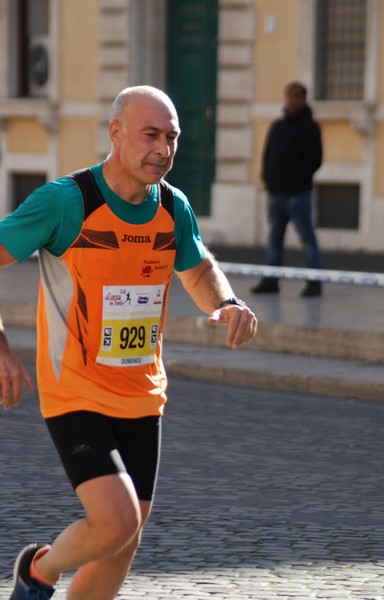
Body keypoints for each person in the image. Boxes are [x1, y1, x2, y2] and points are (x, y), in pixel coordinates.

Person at [0, 85, 258, 600]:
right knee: (114, 520)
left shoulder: (173, 206)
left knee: (122, 540)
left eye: (172, 138)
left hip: (143, 392)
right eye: (150, 135)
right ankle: (38, 571)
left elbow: (198, 268)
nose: (162, 149)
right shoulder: (65, 202)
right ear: (115, 133)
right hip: (75, 389)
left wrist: (226, 303)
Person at [251, 81, 323, 297]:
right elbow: (268, 154)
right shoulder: (278, 125)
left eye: (296, 96)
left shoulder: (310, 127)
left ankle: (314, 282)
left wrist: (295, 181)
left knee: (307, 239)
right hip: (275, 194)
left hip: (298, 195)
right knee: (274, 239)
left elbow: (314, 160)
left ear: (303, 99)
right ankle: (272, 279)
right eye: (289, 95)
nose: (292, 100)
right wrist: (267, 178)